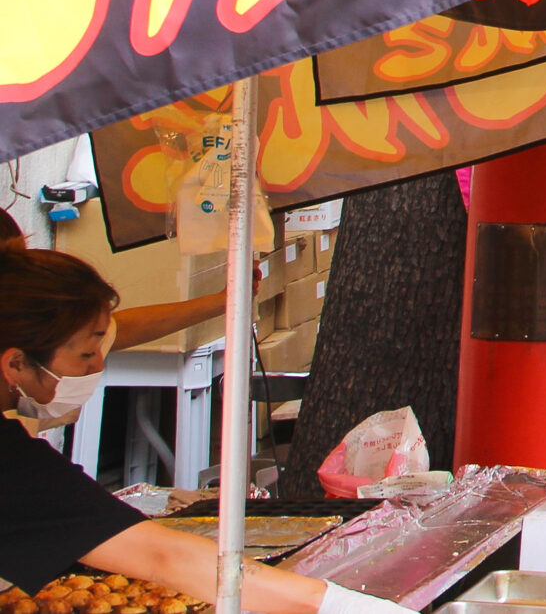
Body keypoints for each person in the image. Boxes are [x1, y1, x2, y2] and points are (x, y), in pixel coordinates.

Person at [0, 238, 410, 614]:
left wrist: (224, 302)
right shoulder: (14, 466)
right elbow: (164, 557)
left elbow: (119, 330)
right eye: (87, 355)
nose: (100, 365)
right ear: (16, 362)